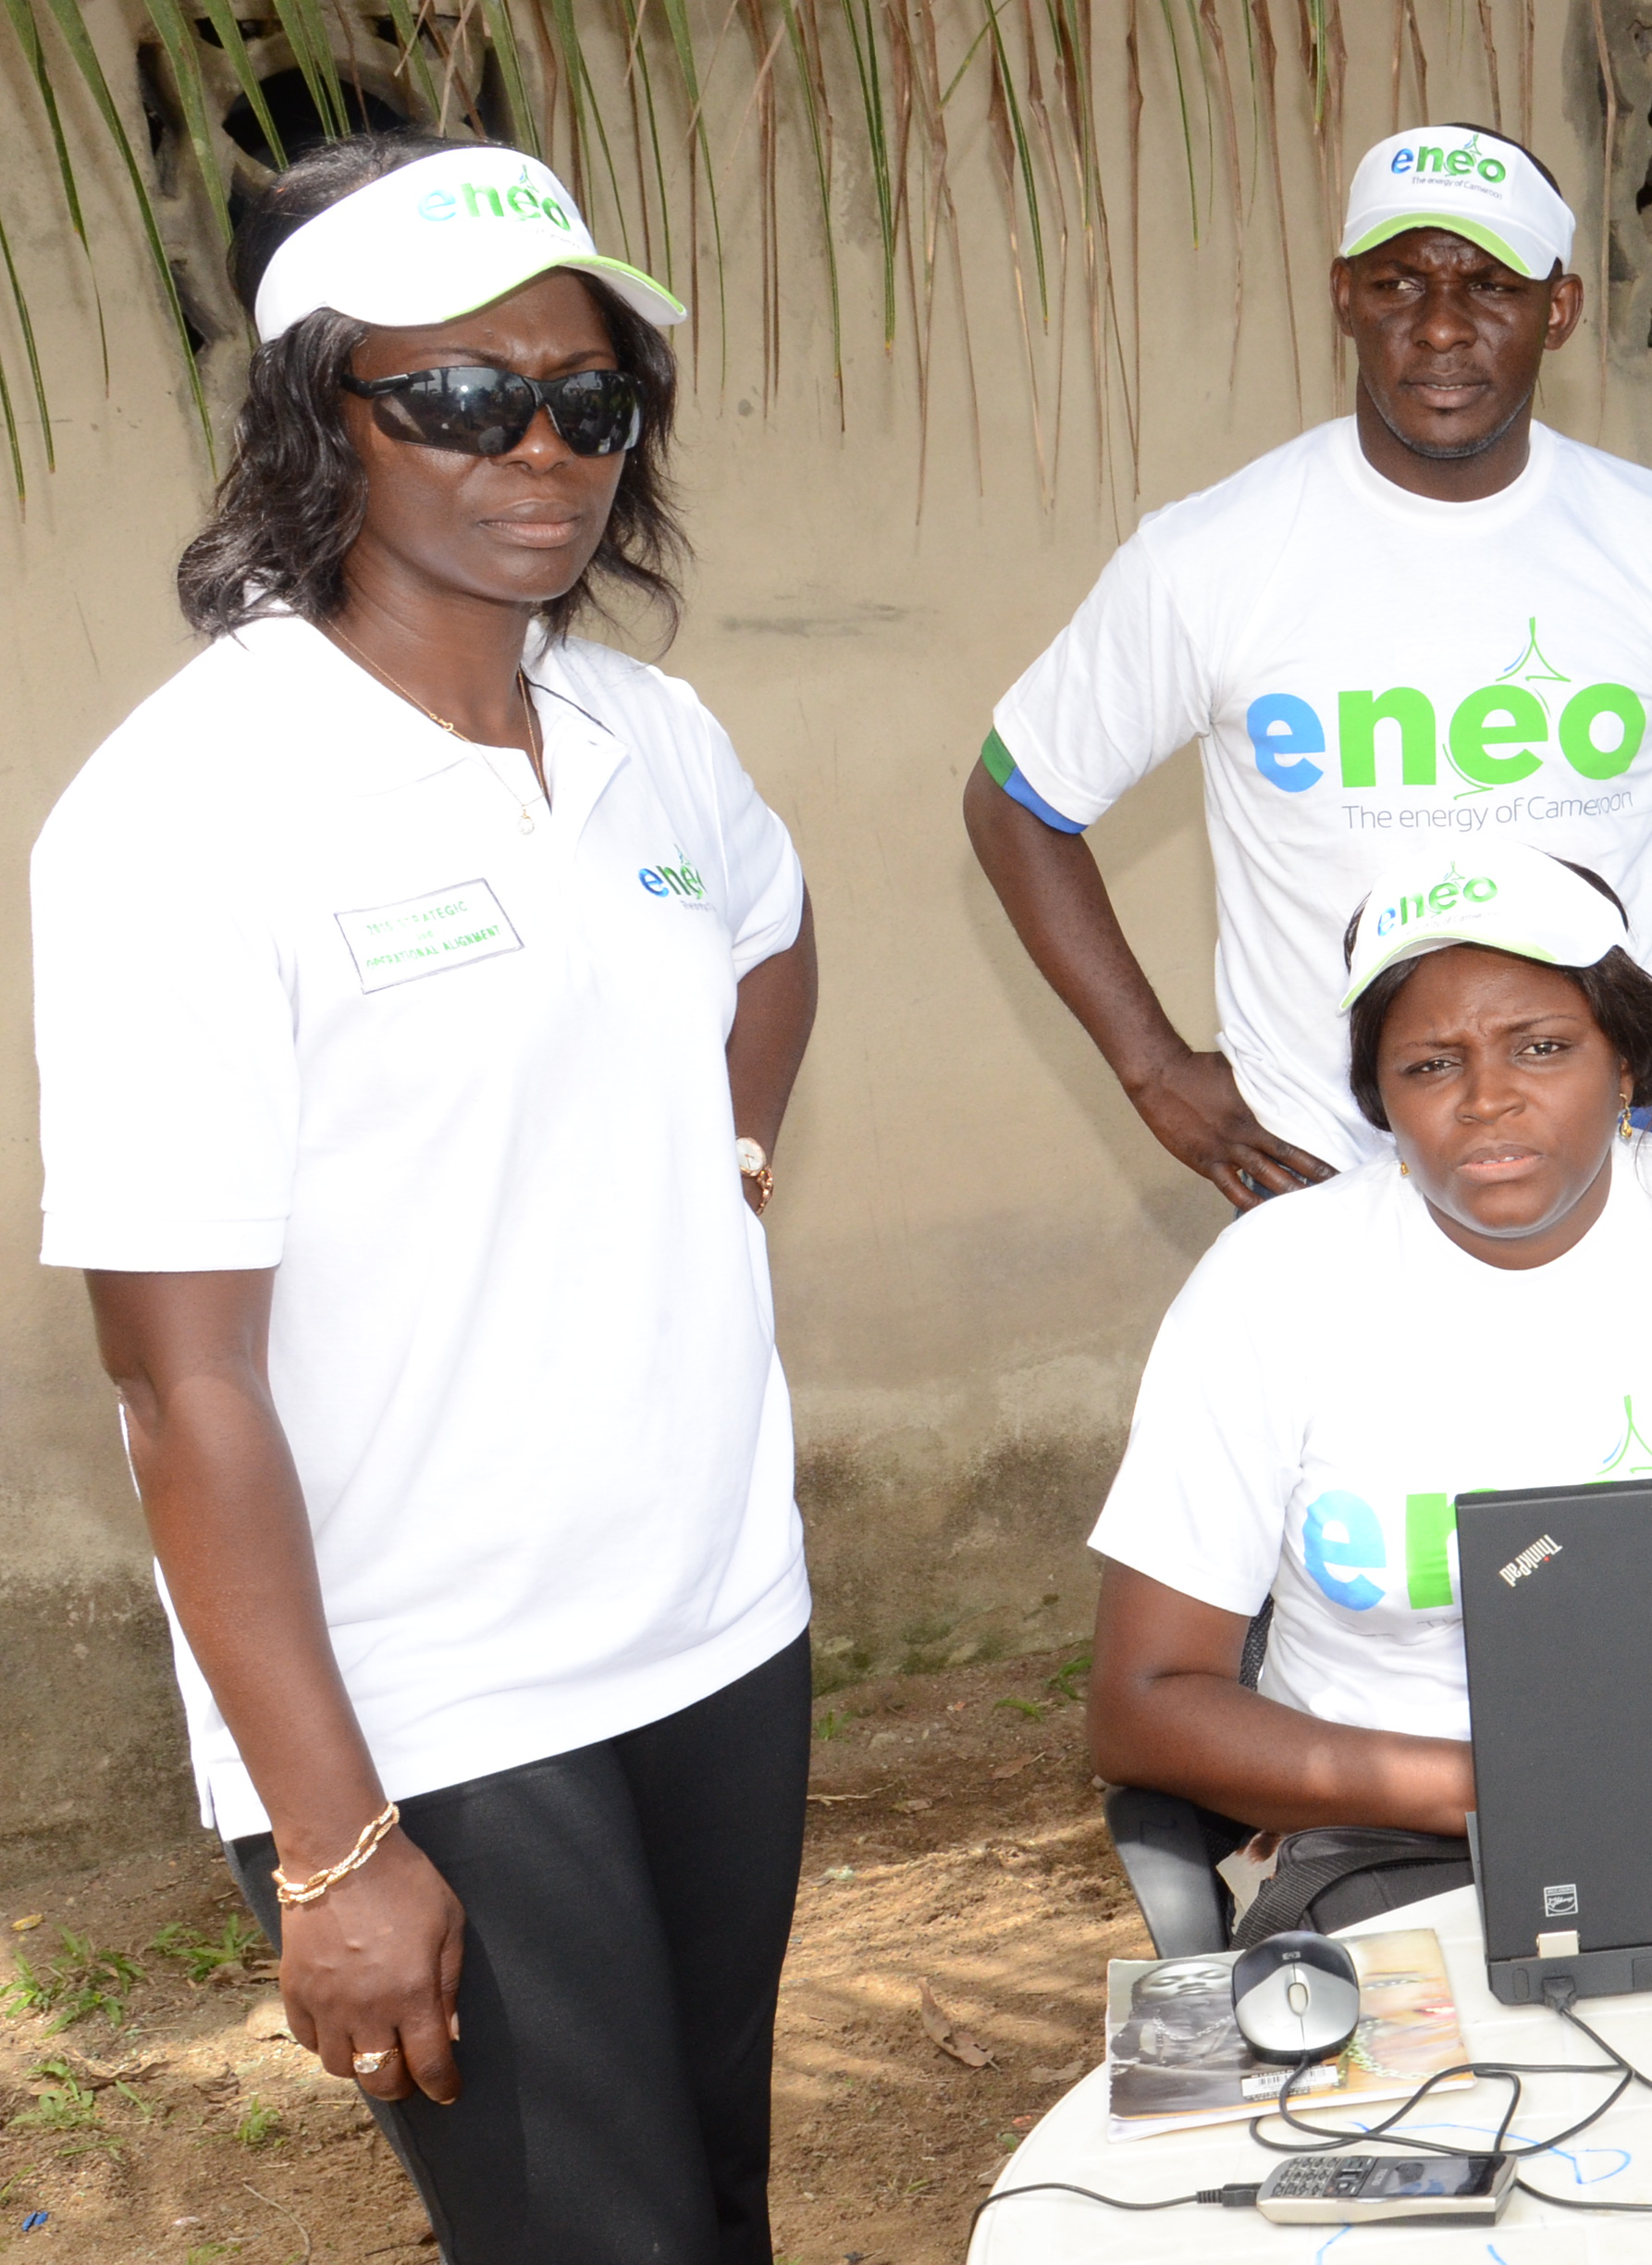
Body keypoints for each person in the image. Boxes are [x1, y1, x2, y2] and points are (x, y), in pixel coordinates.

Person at [27, 132, 817, 2261]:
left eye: (588, 397)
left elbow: (771, 934)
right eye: (460, 399)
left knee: (718, 2211)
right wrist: (333, 1839)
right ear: (325, 420)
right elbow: (180, 1382)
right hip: (434, 1693)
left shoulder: (648, 733)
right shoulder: (190, 816)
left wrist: (726, 1162)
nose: (539, 450)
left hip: (718, 1621)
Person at [967, 121, 1652, 1210]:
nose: (1440, 327)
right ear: (1344, 297)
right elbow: (1017, 801)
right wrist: (1152, 1071)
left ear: (1558, 310)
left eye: (1492, 287)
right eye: (1399, 284)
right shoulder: (1208, 558)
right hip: (1329, 1176)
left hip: (1620, 1165)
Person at [1080, 843, 1652, 1929]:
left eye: (1543, 1047)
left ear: (1627, 1066)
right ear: (1381, 1099)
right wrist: (1508, 1789)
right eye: (1431, 1065)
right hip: (1408, 1845)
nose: (1488, 1099)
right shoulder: (1274, 1283)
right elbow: (1144, 1706)